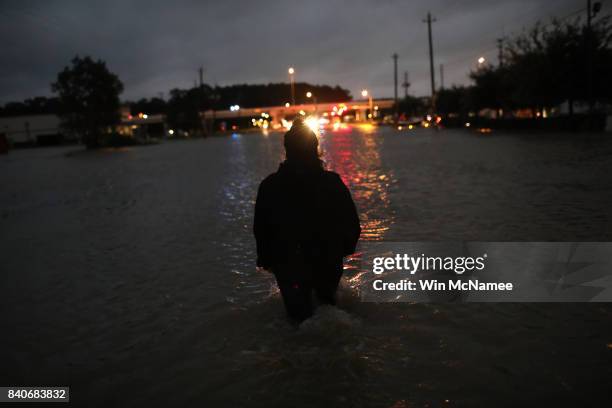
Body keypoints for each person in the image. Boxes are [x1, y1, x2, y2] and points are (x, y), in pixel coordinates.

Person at [253, 118, 361, 322]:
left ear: (287, 150)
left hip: (288, 264)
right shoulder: (332, 182)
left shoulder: (269, 186)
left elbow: (261, 231)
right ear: (315, 149)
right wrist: (343, 250)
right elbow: (352, 225)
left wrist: (267, 260)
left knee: (297, 322)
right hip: (327, 261)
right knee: (329, 312)